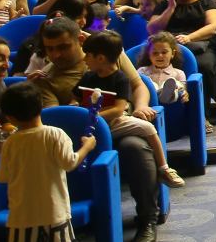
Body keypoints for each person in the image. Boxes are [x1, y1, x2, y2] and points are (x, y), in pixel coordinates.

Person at [23, 17, 163, 242]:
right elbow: (55, 117)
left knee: (135, 148)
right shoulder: (46, 77)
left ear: (79, 40)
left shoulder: (105, 53)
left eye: (63, 47)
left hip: (117, 126)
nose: (56, 55)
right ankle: (67, 235)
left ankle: (147, 217)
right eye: (50, 49)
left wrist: (139, 107)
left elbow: (138, 84)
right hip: (78, 137)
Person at [0, 81, 97, 242]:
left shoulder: (11, 143)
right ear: (41, 107)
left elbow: (4, 177)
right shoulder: (56, 134)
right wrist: (87, 146)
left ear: (9, 116)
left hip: (23, 213)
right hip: (55, 209)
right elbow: (70, 162)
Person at [77, 30, 186, 188]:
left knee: (148, 128)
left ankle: (164, 168)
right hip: (89, 124)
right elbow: (76, 96)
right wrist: (76, 107)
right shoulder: (87, 77)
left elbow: (118, 109)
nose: (84, 59)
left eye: (87, 55)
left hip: (113, 121)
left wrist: (94, 116)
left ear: (100, 58)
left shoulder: (120, 78)